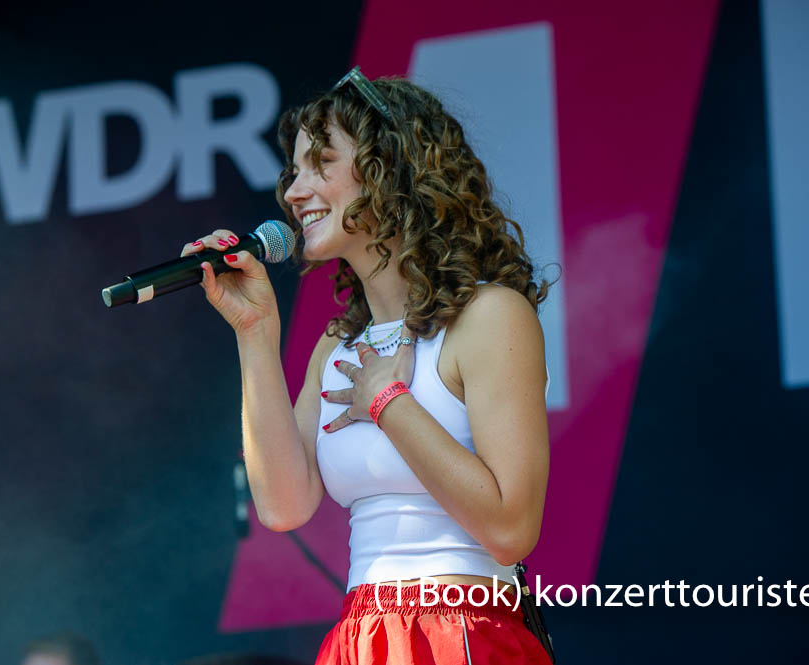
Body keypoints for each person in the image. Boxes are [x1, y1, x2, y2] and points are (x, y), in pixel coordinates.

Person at [182, 67, 553, 664]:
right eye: (294, 172)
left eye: (321, 163)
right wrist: (255, 333)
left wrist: (389, 404)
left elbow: (511, 529)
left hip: (462, 632)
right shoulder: (339, 345)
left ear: (391, 171)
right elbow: (283, 505)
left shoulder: (489, 316)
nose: (294, 192)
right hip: (361, 638)